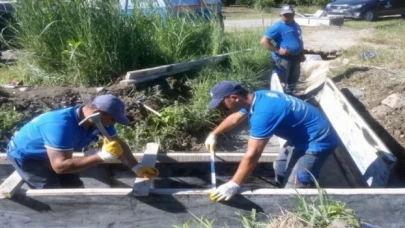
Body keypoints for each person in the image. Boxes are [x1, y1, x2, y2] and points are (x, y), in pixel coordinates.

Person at [205, 81, 339, 202]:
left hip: (318, 141)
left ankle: (301, 202)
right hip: (299, 136)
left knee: (296, 187)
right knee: (279, 166)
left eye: (222, 105)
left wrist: (234, 184)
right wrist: (214, 134)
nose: (222, 108)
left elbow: (253, 153)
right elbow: (235, 118)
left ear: (234, 97)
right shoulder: (256, 97)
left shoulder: (264, 113)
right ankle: (284, 191)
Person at [6, 94, 159, 189]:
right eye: (113, 119)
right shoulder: (60, 125)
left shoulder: (99, 121)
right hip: (28, 157)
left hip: (56, 154)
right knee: (51, 193)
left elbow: (117, 143)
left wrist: (136, 167)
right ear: (97, 113)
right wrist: (101, 156)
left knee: (74, 187)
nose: (114, 124)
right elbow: (60, 167)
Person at [260, 5, 305, 94]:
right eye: (285, 15)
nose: (288, 17)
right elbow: (264, 41)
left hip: (296, 57)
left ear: (293, 14)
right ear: (281, 15)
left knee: (294, 78)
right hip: (282, 58)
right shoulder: (277, 27)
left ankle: (290, 95)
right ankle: (280, 97)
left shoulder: (295, 25)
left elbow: (299, 40)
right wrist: (277, 50)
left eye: (290, 14)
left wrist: (302, 54)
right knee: (281, 80)